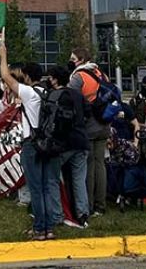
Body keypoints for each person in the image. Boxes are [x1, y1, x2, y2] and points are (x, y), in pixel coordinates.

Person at [0, 32, 59, 241]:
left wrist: (3, 55)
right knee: (46, 186)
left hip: (32, 144)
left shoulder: (30, 93)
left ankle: (40, 228)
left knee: (35, 188)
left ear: (27, 76)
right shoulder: (47, 93)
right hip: (48, 143)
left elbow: (6, 77)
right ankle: (49, 227)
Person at [68, 49, 112, 216]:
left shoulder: (78, 77)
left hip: (88, 126)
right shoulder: (101, 74)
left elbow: (73, 101)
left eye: (73, 58)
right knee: (100, 164)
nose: (70, 61)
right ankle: (102, 204)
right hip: (104, 124)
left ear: (81, 60)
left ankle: (90, 204)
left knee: (88, 166)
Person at [47, 64, 90, 228]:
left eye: (51, 78)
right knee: (79, 179)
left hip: (62, 144)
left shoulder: (54, 95)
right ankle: (82, 214)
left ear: (56, 80)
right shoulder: (78, 95)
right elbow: (88, 112)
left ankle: (58, 214)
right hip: (81, 140)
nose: (49, 80)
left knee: (52, 178)